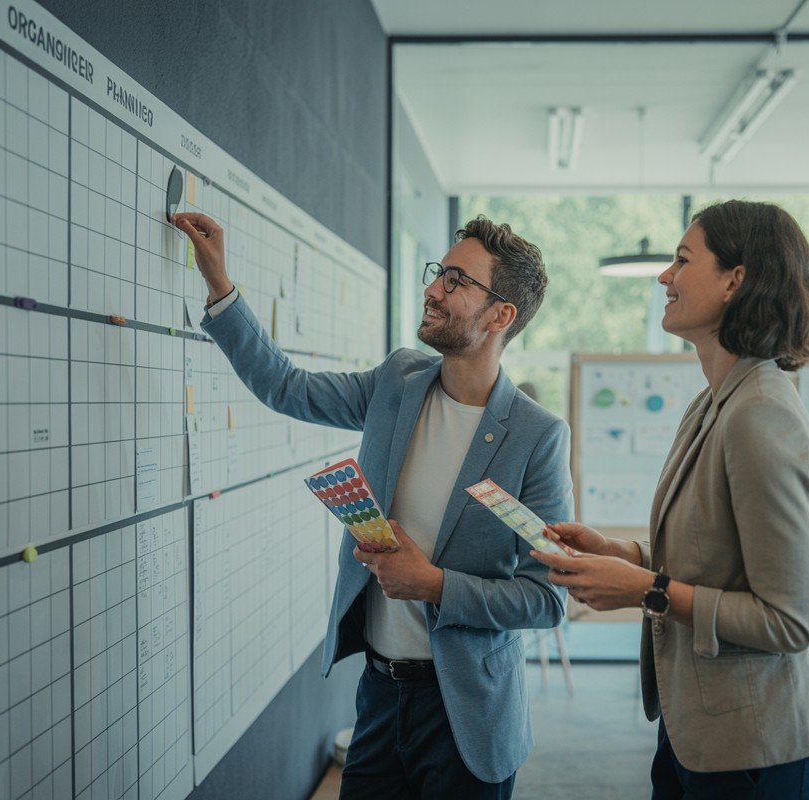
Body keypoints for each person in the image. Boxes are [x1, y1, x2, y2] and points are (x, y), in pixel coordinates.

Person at [173, 211, 571, 799]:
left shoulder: (537, 436)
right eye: (440, 272)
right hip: (380, 695)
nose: (434, 288)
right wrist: (221, 288)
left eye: (458, 281)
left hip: (467, 712)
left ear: (501, 315)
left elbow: (546, 599)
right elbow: (287, 387)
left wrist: (434, 583)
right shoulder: (398, 380)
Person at [532, 200, 809, 799]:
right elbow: (714, 555)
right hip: (698, 730)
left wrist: (643, 590)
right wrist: (623, 553)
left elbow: (789, 620)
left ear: (735, 280)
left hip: (755, 750)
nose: (663, 277)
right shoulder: (715, 402)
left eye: (681, 260)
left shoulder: (759, 413)